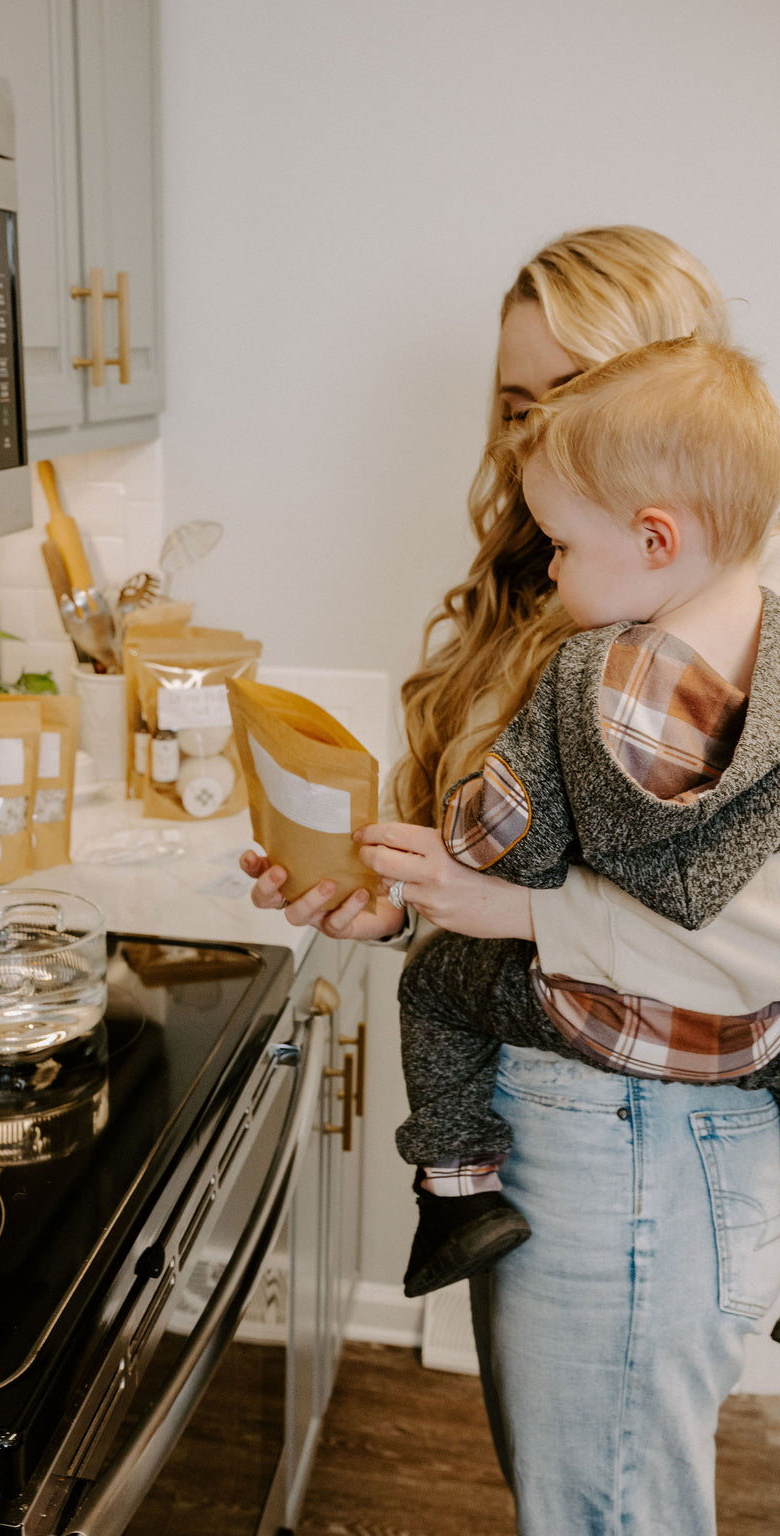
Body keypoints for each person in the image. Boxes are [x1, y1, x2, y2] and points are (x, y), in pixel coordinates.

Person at [240, 225, 780, 1536]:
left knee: (603, 1514)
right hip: (557, 1112)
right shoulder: (558, 588)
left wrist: (512, 909)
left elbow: (747, 937)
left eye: (568, 398)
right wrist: (395, 895)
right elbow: (526, 871)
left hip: (636, 1133)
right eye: (516, 404)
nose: (536, 434)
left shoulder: (720, 639)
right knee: (579, 1498)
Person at [395, 334, 780, 1298]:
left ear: (656, 539)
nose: (553, 572)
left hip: (609, 1029)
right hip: (751, 1033)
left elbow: (500, 839)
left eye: (563, 546)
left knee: (438, 985)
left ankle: (456, 1190)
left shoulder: (582, 676)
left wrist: (460, 865)